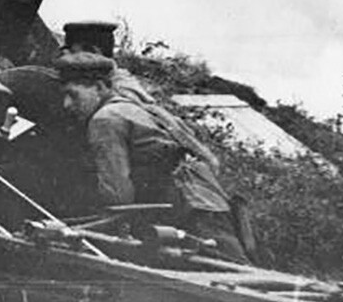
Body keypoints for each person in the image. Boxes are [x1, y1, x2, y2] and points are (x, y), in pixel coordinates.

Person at [54, 51, 251, 262]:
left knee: (230, 283)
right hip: (209, 202)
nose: (66, 104)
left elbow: (118, 195)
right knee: (240, 274)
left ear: (100, 87)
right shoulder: (135, 107)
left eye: (73, 94)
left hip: (190, 210)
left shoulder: (105, 120)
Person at [61, 20, 155, 105]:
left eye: (74, 54)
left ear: (93, 53)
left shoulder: (117, 91)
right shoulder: (120, 81)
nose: (69, 61)